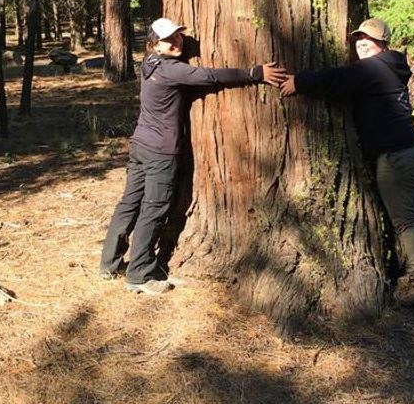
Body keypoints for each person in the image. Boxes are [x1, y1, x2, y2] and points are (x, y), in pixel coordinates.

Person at [99, 17, 287, 295]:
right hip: (160, 152)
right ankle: (138, 275)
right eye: (168, 39)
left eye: (178, 36)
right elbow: (211, 77)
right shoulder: (172, 70)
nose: (176, 42)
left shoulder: (148, 64)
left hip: (140, 144)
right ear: (154, 44)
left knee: (130, 203)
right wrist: (255, 72)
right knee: (153, 209)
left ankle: (109, 264)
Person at [280, 17, 414, 308]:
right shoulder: (390, 66)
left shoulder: (375, 67)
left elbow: (336, 79)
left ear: (383, 42)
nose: (361, 42)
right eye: (358, 38)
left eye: (369, 38)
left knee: (407, 222)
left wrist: (298, 82)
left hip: (396, 155)